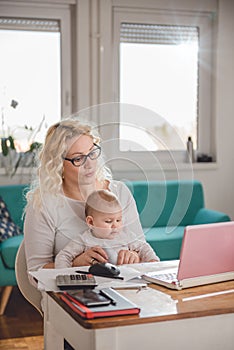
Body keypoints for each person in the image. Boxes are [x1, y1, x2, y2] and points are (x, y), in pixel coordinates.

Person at [24, 117, 159, 274]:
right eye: (79, 158)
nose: (89, 164)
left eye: (92, 152)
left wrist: (133, 257)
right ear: (58, 164)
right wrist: (75, 264)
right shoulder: (44, 205)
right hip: (70, 293)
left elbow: (140, 247)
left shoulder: (120, 193)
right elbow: (35, 273)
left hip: (121, 287)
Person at [55, 189, 159, 268]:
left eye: (118, 220)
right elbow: (63, 256)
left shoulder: (125, 236)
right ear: (91, 222)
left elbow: (144, 247)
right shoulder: (84, 239)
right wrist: (66, 274)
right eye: (108, 221)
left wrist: (153, 261)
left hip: (124, 281)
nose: (115, 226)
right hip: (96, 285)